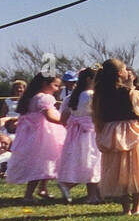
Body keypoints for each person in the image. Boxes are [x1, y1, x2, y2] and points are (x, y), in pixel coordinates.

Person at [92, 58, 139, 215]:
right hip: (131, 132)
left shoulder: (100, 96)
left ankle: (126, 208)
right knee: (136, 169)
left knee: (118, 170)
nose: (129, 72)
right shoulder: (132, 94)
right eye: (126, 69)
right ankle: (137, 207)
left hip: (112, 133)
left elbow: (98, 117)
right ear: (120, 73)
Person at [5, 73, 65, 202]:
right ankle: (28, 194)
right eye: (55, 85)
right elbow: (50, 116)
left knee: (46, 161)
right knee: (41, 162)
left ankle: (42, 189)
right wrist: (66, 120)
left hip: (31, 134)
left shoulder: (30, 97)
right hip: (43, 134)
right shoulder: (44, 98)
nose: (57, 89)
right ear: (45, 84)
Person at [55, 67, 102, 204]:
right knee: (93, 161)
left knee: (82, 161)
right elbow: (98, 113)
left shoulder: (71, 97)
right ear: (89, 79)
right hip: (91, 132)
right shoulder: (92, 96)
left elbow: (63, 118)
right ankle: (92, 195)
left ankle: (71, 185)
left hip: (75, 134)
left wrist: (74, 123)